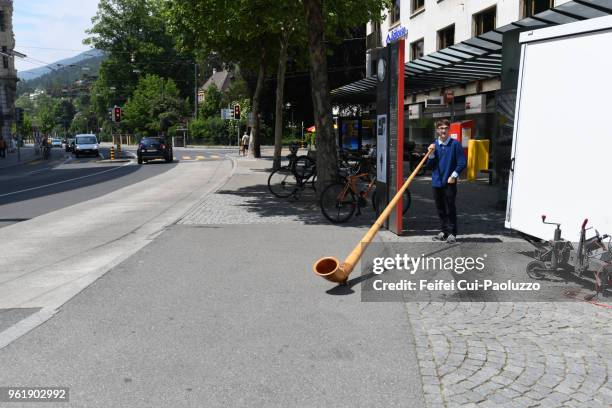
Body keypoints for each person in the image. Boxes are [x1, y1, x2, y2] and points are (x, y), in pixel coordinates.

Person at [427, 119, 466, 244]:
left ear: (449, 130)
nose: (443, 130)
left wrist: (453, 175)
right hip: (436, 182)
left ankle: (452, 233)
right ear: (437, 130)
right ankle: (444, 232)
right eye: (441, 128)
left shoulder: (455, 144)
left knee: (450, 208)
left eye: (446, 128)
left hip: (449, 182)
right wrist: (431, 154)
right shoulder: (434, 145)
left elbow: (462, 162)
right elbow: (430, 166)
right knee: (440, 208)